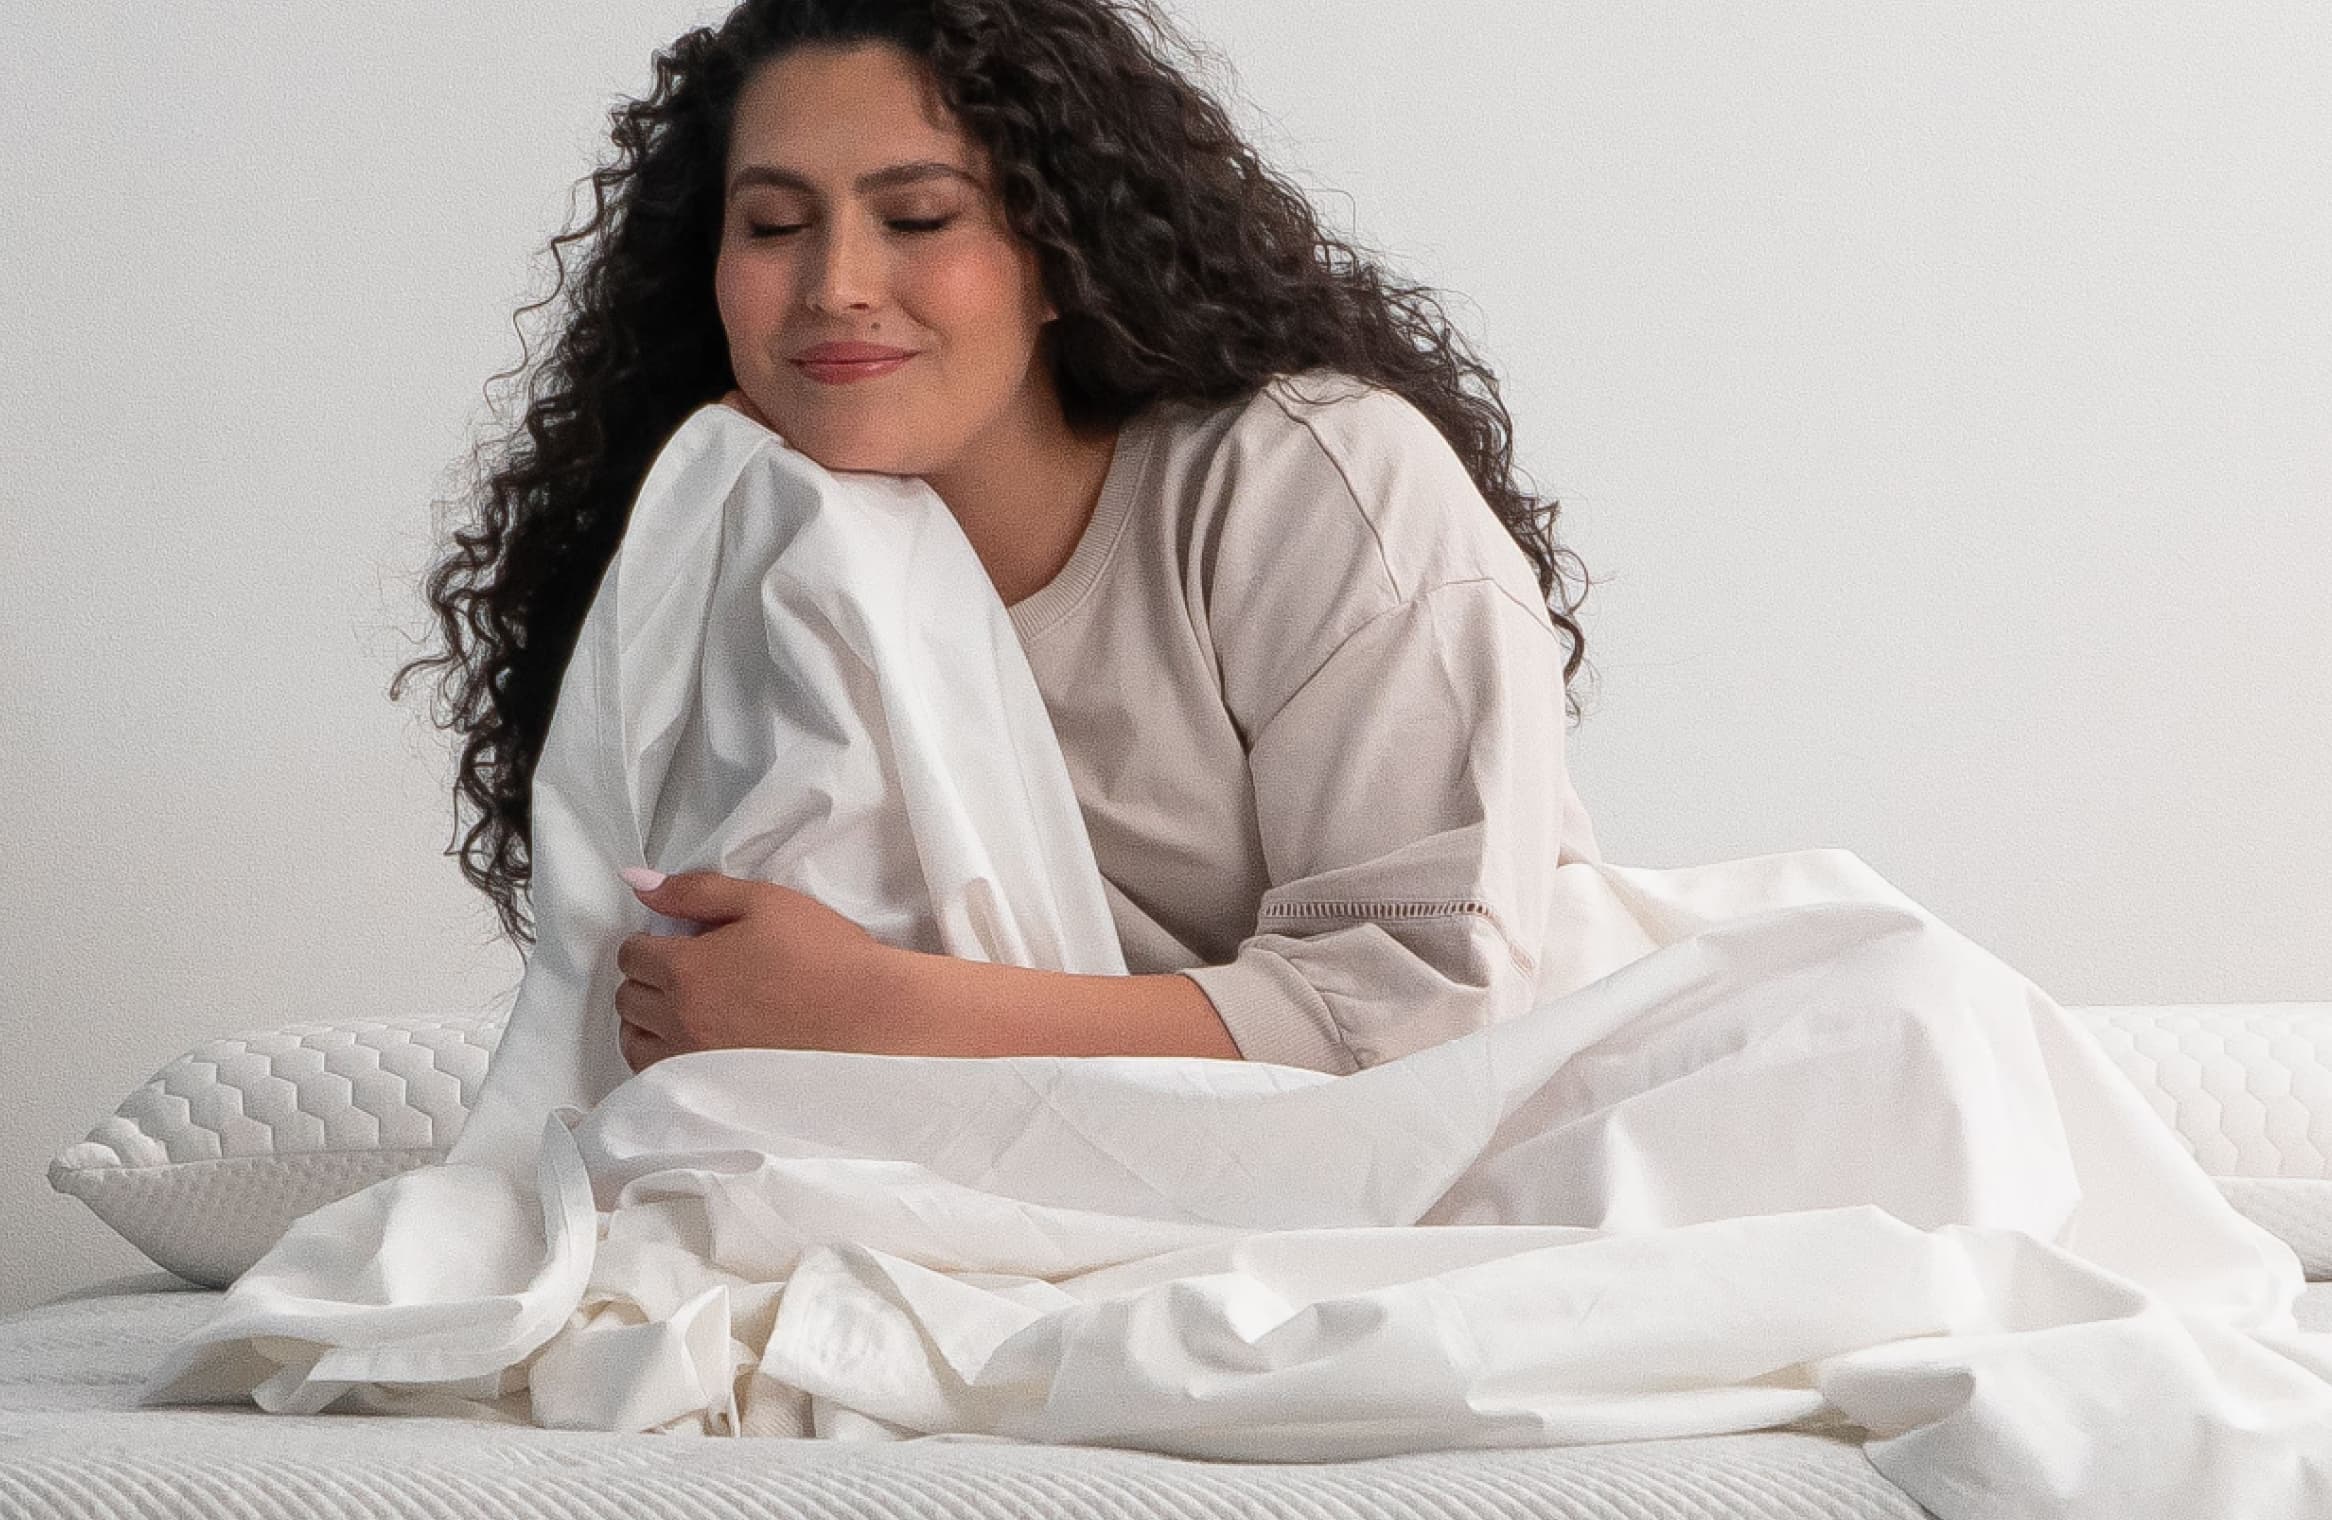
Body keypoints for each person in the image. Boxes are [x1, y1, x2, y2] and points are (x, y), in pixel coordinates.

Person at [390, 0, 1602, 1077]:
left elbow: (1428, 1010)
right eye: (769, 226)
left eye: (918, 217)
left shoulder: (1309, 481)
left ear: (1062, 251)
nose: (835, 284)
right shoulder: (733, 529)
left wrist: (872, 1008)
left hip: (1475, 1122)